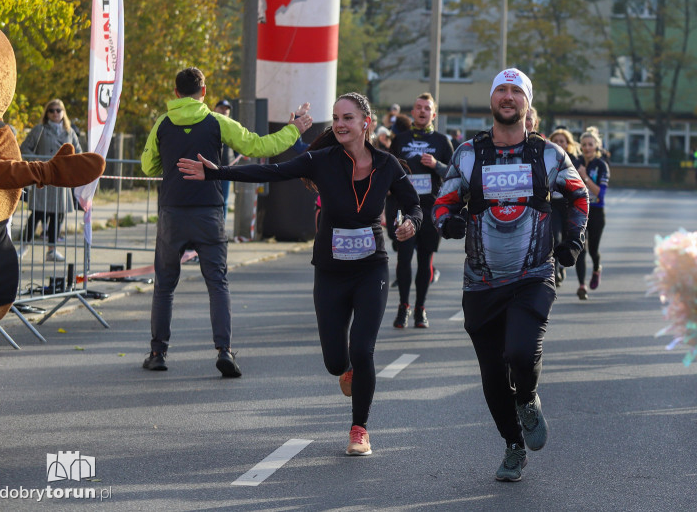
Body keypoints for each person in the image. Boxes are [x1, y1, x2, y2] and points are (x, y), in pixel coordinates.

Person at [178, 92, 422, 457]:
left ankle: (359, 429)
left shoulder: (388, 165)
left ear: (365, 123)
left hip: (372, 268)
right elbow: (271, 171)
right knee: (335, 361)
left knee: (364, 348)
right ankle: (347, 369)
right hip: (330, 271)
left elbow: (413, 204)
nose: (340, 124)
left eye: (348, 118)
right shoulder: (321, 160)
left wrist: (412, 224)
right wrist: (218, 172)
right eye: (336, 117)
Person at [433, 68, 588, 482]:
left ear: (527, 103)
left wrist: (573, 241)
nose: (507, 96)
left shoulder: (548, 155)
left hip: (533, 274)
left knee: (519, 353)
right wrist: (446, 220)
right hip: (481, 281)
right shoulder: (469, 153)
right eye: (501, 89)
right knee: (492, 375)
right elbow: (442, 201)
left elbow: (578, 195)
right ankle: (513, 446)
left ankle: (529, 397)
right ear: (491, 100)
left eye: (515, 91)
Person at [140, 68, 311, 378]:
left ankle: (157, 352)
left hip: (172, 213)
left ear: (176, 93)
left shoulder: (162, 124)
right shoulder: (217, 122)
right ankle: (224, 351)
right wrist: (293, 128)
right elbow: (259, 147)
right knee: (217, 283)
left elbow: (147, 165)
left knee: (164, 287)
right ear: (204, 92)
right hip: (209, 213)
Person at [389, 92, 454, 329]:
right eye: (418, 107)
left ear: (433, 114)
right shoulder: (400, 139)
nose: (422, 111)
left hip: (430, 208)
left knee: (425, 259)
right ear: (412, 112)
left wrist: (436, 165)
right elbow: (388, 171)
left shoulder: (441, 141)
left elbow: (454, 174)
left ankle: (420, 309)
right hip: (405, 208)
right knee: (404, 258)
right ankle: (403, 306)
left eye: (427, 108)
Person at [19, 98, 83, 261]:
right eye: (52, 110)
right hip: (43, 179)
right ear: (47, 113)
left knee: (57, 216)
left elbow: (78, 153)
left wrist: (71, 169)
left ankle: (52, 250)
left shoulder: (69, 132)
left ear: (63, 113)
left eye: (58, 110)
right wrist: (40, 163)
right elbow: (24, 149)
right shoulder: (39, 130)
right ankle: (23, 246)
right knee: (37, 214)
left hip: (61, 181)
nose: (55, 113)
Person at [574, 127, 610, 300]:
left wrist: (585, 177)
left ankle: (596, 268)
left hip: (596, 212)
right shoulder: (576, 162)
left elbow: (599, 194)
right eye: (584, 145)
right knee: (580, 248)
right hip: (579, 211)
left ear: (596, 146)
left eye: (590, 144)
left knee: (593, 250)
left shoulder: (601, 165)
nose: (587, 148)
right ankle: (582, 285)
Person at [549, 128, 580, 288]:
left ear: (568, 144)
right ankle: (554, 271)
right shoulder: (546, 159)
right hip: (553, 204)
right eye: (556, 141)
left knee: (568, 239)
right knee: (555, 237)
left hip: (568, 205)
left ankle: (562, 266)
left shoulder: (574, 161)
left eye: (562, 141)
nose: (559, 144)